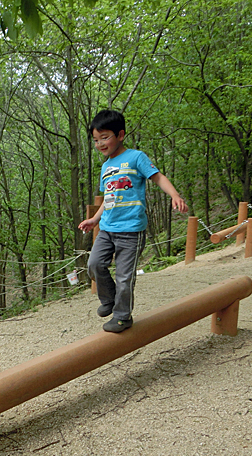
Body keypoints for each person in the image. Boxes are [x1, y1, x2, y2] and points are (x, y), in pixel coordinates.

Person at [78, 109, 188, 333]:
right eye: (96, 140)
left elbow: (157, 177)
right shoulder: (105, 167)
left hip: (131, 230)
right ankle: (109, 299)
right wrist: (94, 219)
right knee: (94, 264)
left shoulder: (136, 157)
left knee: (124, 276)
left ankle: (122, 316)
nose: (100, 144)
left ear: (120, 135)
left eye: (105, 137)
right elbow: (108, 199)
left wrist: (175, 195)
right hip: (107, 228)